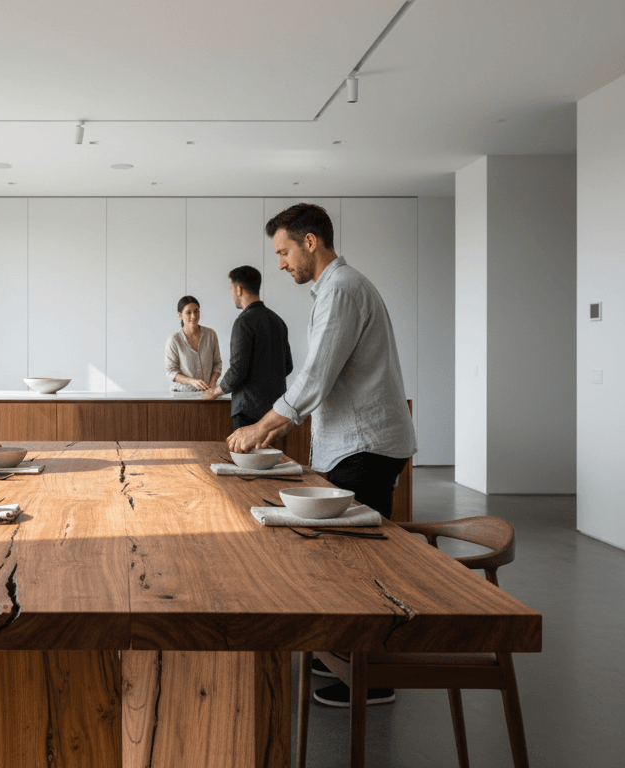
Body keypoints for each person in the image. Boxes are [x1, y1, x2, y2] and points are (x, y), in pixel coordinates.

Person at [226, 203, 416, 710]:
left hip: (366, 444)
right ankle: (339, 653)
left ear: (311, 242)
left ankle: (370, 676)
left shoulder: (344, 288)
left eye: (284, 251)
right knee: (340, 557)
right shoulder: (333, 289)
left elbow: (316, 375)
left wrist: (262, 426)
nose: (281, 263)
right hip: (356, 441)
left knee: (357, 565)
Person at [200, 265, 292, 429]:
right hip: (276, 412)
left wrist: (214, 392)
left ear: (239, 289)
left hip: (248, 411)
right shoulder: (278, 321)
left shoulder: (243, 322)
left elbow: (237, 370)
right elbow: (288, 366)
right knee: (272, 455)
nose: (232, 294)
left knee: (246, 456)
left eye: (231, 289)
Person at [164, 295, 222, 394]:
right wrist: (191, 381)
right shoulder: (174, 340)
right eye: (188, 312)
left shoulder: (210, 335)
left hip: (207, 392)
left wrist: (213, 382)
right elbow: (171, 371)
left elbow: (217, 364)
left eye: (196, 311)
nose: (194, 316)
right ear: (180, 315)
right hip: (181, 394)